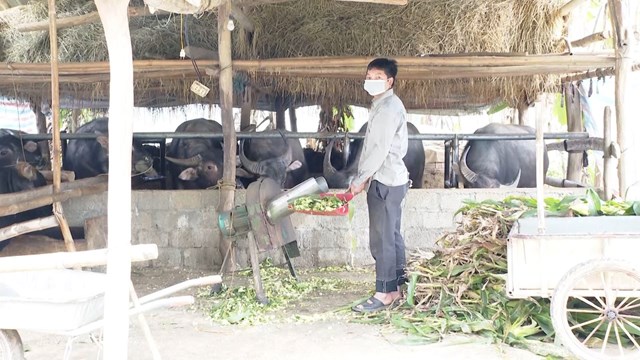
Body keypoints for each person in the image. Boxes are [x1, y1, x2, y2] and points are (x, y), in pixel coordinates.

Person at [348, 58, 410, 313]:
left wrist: (360, 179)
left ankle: (384, 292)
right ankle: (398, 287)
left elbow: (377, 149)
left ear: (390, 81)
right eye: (369, 76)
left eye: (378, 77)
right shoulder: (383, 105)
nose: (371, 81)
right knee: (391, 235)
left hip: (385, 180)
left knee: (381, 238)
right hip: (392, 180)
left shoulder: (388, 109)